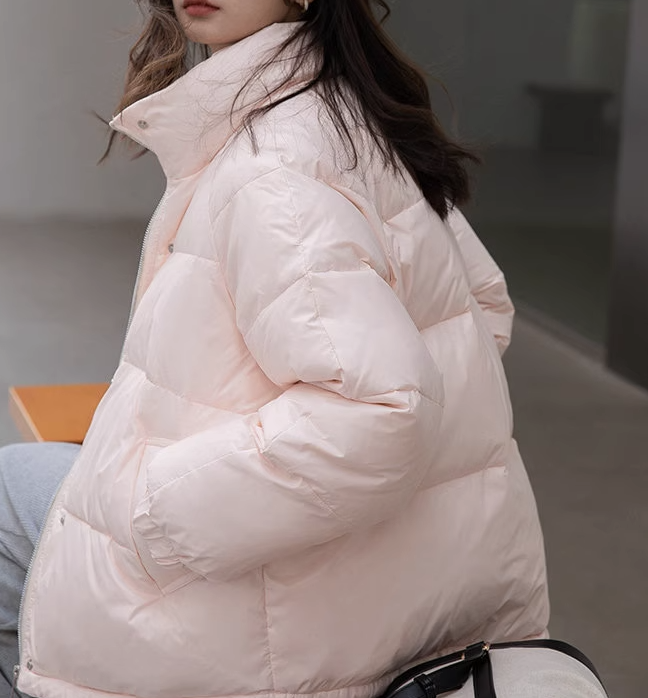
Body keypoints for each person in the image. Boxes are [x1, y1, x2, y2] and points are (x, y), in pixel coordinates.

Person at [0, 1, 550, 698]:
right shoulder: (351, 115)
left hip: (284, 616)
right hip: (401, 582)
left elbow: (380, 413)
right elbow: (481, 306)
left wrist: (150, 510)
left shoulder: (275, 166)